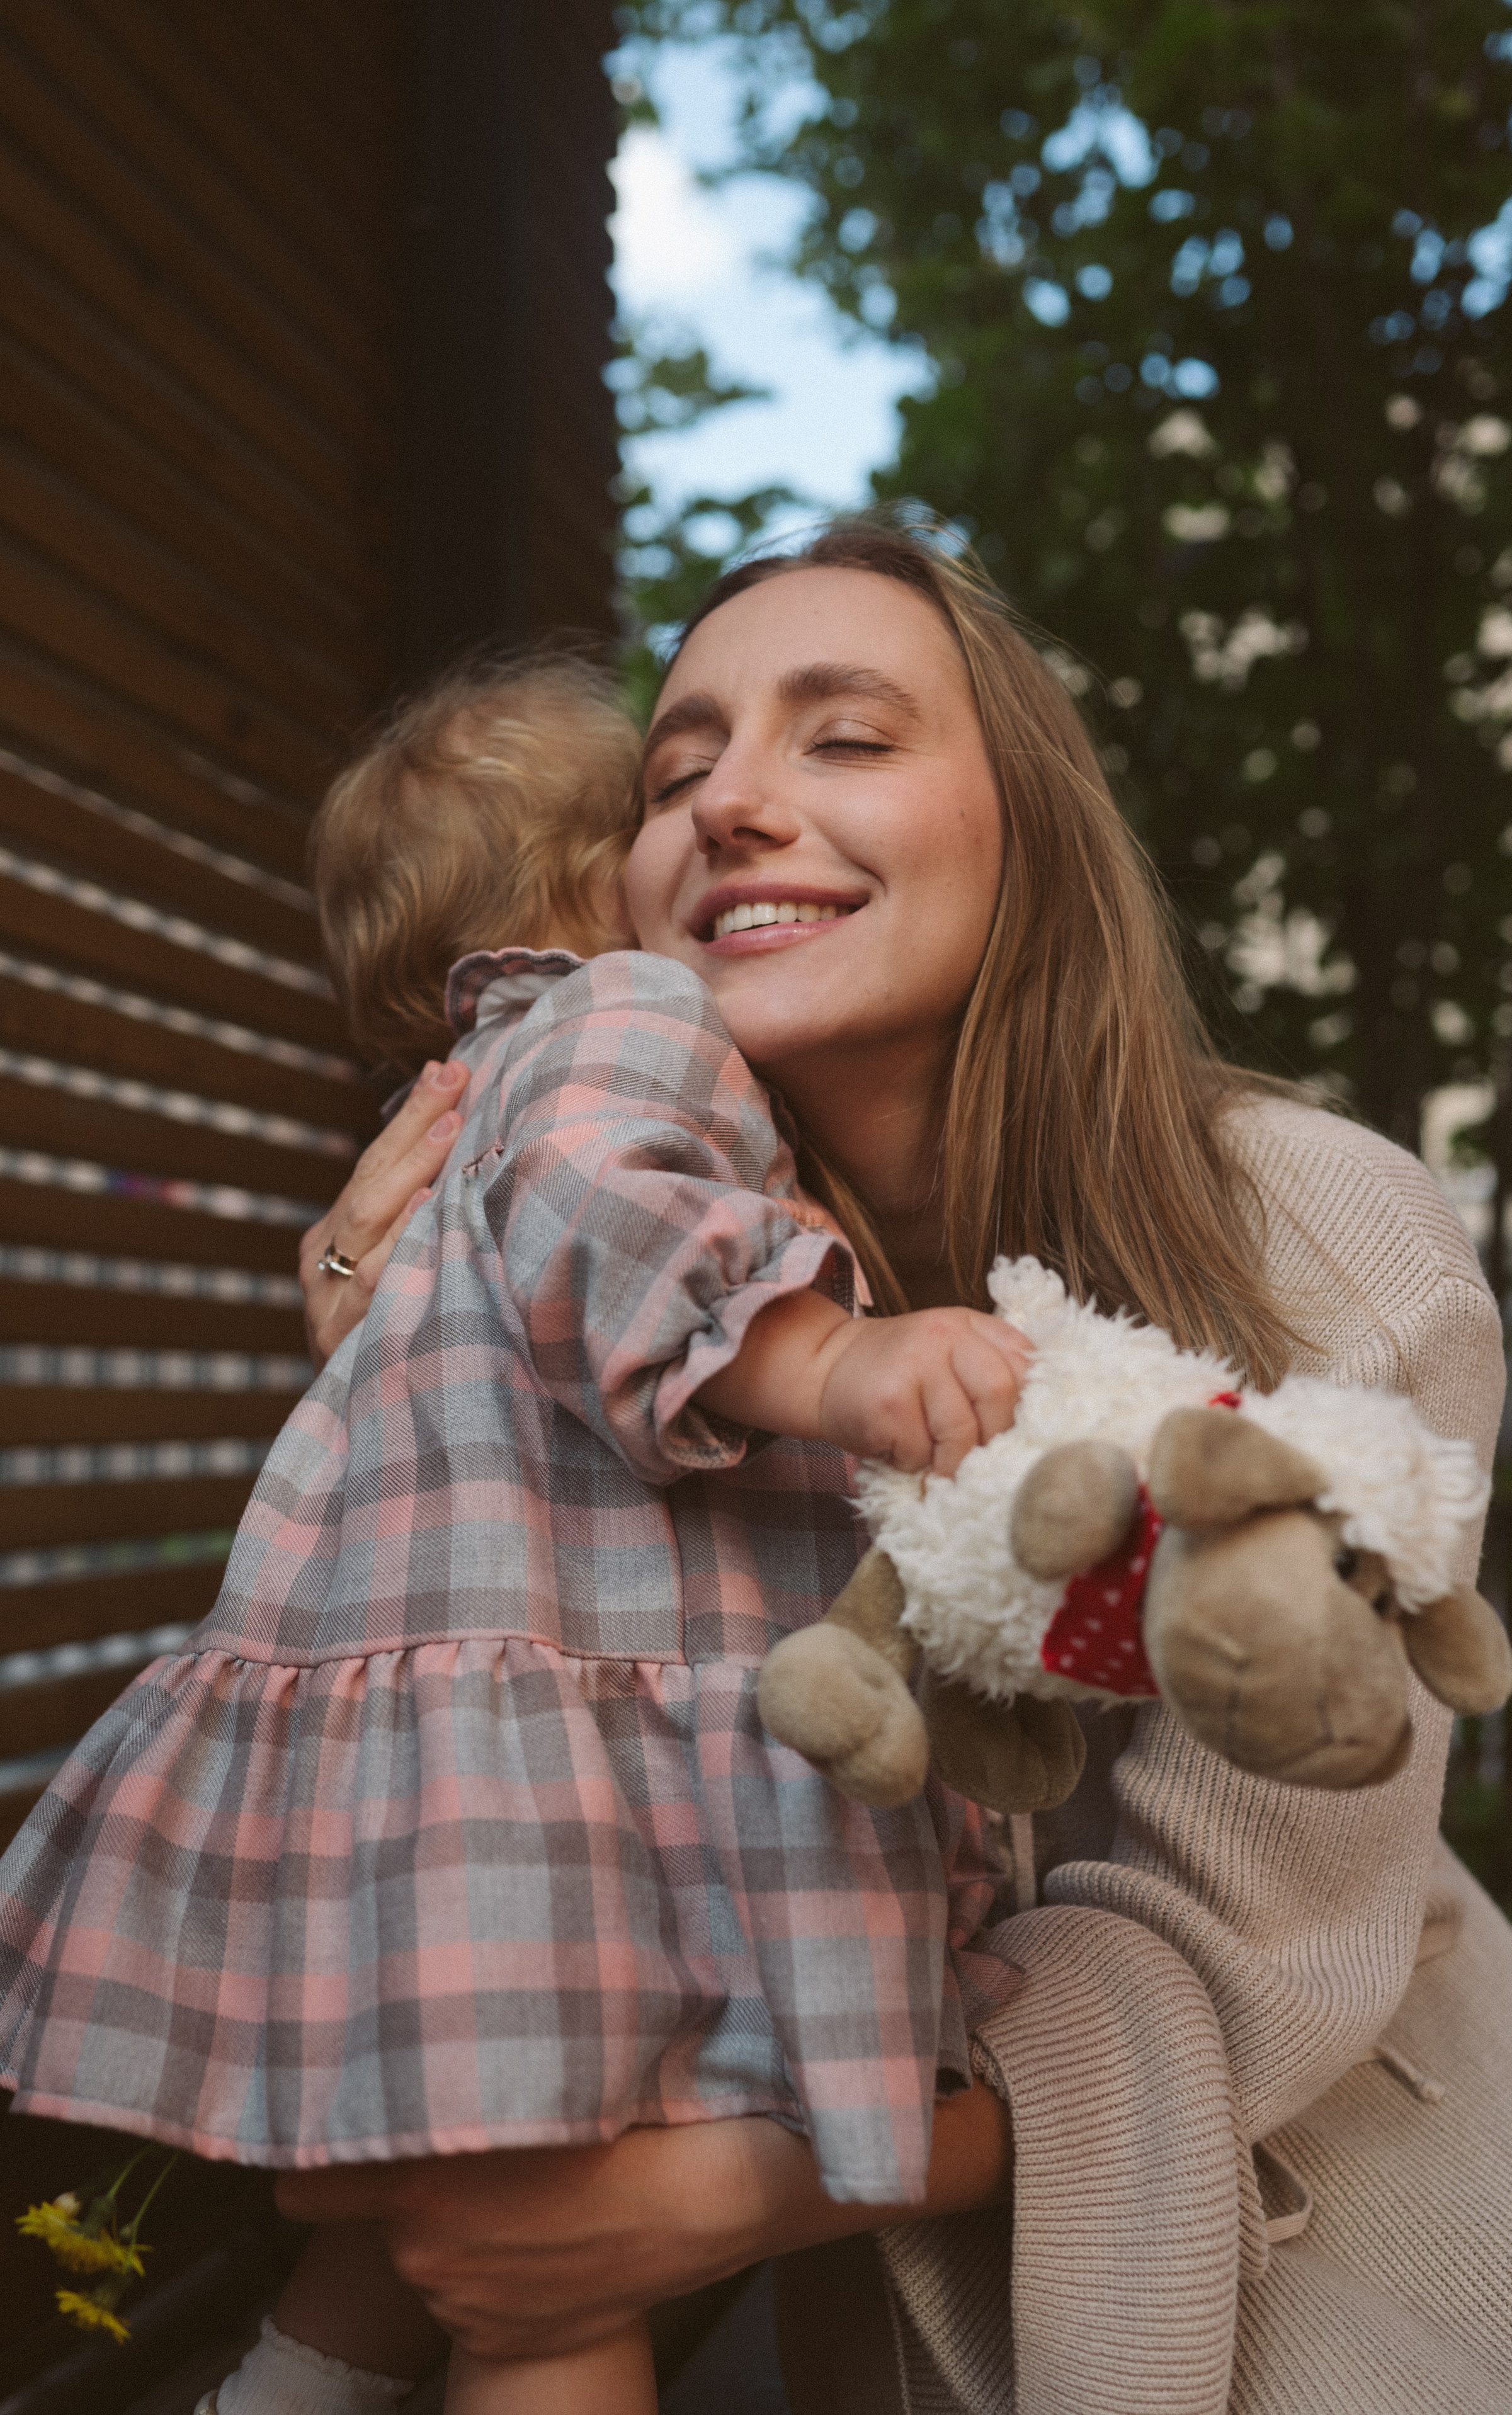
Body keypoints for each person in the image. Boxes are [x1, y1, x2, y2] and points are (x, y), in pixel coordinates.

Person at [292, 521, 1512, 2415]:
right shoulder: (614, 1280)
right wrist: (388, 1357)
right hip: (858, 2302)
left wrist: (726, 2188)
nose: (735, 800)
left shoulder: (1318, 1232)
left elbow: (1258, 1951)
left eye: (845, 739)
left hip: (1384, 2265)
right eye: (679, 772)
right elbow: (485, 1801)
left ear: (1030, 836)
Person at [0, 650, 1032, 2415]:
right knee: (554, 2298)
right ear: (590, 879)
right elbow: (611, 1224)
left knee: (457, 2226)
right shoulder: (630, 1019)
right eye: (666, 800)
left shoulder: (471, 1100)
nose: (722, 828)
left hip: (464, 1809)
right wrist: (841, 1354)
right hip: (580, 1805)